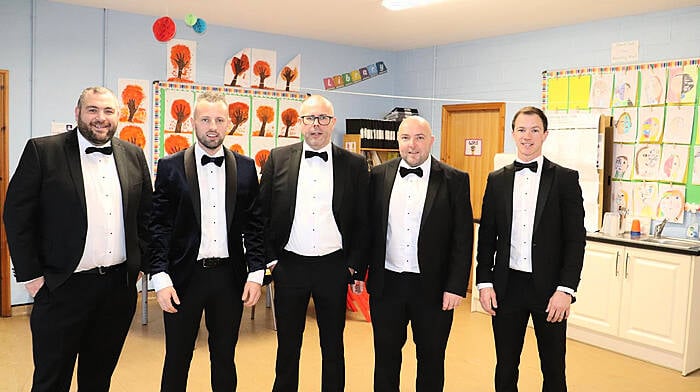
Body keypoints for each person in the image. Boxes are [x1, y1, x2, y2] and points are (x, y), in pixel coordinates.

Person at [3, 86, 152, 392]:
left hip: (117, 290)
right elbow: (17, 216)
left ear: (118, 116)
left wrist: (140, 263)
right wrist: (31, 276)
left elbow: (146, 215)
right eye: (93, 110)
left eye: (108, 111)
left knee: (98, 379)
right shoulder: (43, 151)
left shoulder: (133, 154)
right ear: (78, 113)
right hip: (61, 287)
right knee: (51, 380)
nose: (101, 118)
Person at [149, 91, 265, 391]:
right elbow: (158, 225)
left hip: (230, 277)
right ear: (192, 123)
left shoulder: (247, 167)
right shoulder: (171, 166)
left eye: (218, 119)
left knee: (224, 356)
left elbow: (254, 224)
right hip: (183, 277)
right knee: (177, 356)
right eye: (205, 119)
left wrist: (256, 273)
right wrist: (160, 277)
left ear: (229, 124)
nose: (212, 126)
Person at [257, 94, 368, 392]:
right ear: (300, 123)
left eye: (322, 119)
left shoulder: (355, 165)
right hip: (289, 266)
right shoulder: (278, 158)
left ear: (332, 123)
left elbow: (362, 220)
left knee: (333, 346)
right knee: (288, 346)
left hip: (334, 267)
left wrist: (353, 267)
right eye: (309, 118)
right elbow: (261, 214)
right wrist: (271, 261)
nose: (315, 125)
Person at [476, 106, 586, 392]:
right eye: (522, 130)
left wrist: (566, 289)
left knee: (552, 367)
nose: (528, 136)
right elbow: (487, 237)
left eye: (535, 130)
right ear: (513, 133)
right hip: (506, 286)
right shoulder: (496, 179)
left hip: (550, 291)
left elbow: (576, 240)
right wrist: (484, 282)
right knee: (506, 365)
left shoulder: (565, 179)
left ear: (545, 135)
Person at [364, 115, 473, 392]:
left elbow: (463, 238)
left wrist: (456, 286)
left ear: (431, 141)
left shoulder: (455, 180)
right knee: (385, 359)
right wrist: (359, 270)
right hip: (387, 286)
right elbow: (368, 229)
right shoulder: (378, 175)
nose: (412, 145)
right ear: (397, 141)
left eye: (420, 138)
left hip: (434, 290)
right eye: (405, 138)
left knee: (431, 360)